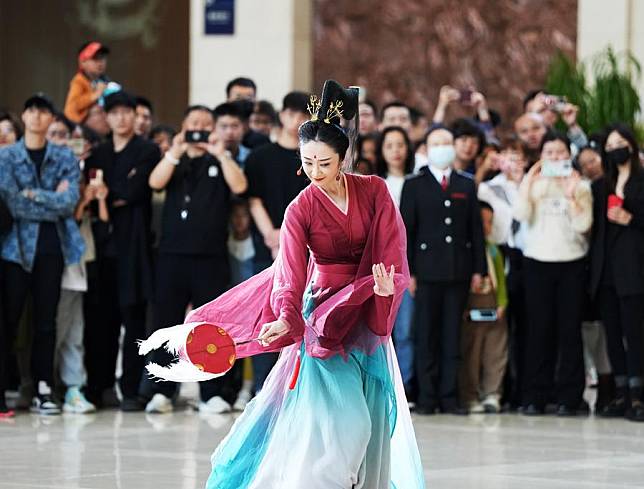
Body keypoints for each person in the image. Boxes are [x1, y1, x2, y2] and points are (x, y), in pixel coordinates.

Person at [142, 79, 425, 489]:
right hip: (323, 320)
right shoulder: (300, 209)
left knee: (371, 425)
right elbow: (290, 275)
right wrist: (288, 316)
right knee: (349, 425)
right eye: (307, 162)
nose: (314, 172)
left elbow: (391, 248)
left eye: (324, 163)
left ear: (344, 157)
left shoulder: (375, 190)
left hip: (365, 308)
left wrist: (386, 286)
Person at [143, 104, 247, 414]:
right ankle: (162, 390)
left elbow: (240, 186)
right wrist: (175, 150)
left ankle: (210, 392)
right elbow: (154, 183)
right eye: (193, 124)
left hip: (211, 257)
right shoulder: (175, 160)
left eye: (205, 124)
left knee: (210, 327)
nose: (199, 129)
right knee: (167, 325)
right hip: (172, 255)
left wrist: (220, 152)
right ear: (183, 127)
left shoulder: (221, 160)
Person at [0, 93, 85, 415]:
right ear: (24, 116)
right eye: (31, 110)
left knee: (46, 322)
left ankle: (43, 388)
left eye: (43, 112)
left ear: (51, 119)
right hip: (13, 248)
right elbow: (11, 202)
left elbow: (68, 203)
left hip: (53, 247)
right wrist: (49, 198)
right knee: (9, 319)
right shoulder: (6, 157)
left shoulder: (64, 157)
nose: (37, 117)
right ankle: (10, 387)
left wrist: (32, 195)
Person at [400, 126, 487, 415]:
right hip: (425, 273)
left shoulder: (465, 183)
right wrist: (408, 272)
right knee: (426, 335)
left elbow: (475, 230)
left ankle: (449, 396)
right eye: (436, 143)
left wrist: (479, 269)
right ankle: (427, 397)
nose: (442, 147)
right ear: (426, 148)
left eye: (447, 142)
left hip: (458, 270)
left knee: (453, 334)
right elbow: (407, 233)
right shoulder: (414, 184)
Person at [84, 91, 160, 411]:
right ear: (107, 117)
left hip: (134, 247)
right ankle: (98, 386)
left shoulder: (147, 150)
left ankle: (130, 388)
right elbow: (91, 193)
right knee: (100, 319)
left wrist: (110, 193)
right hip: (102, 247)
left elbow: (134, 190)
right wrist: (113, 194)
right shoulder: (98, 153)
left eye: (127, 112)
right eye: (114, 112)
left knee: (134, 319)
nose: (121, 118)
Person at [513, 131, 592, 416]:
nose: (555, 158)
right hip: (537, 262)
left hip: (571, 263)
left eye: (560, 153)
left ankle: (570, 396)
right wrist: (528, 184)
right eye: (549, 153)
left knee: (569, 331)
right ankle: (536, 395)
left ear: (568, 156)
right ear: (541, 156)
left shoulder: (581, 185)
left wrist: (572, 195)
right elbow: (521, 215)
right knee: (539, 331)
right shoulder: (532, 184)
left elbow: (584, 225)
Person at [244, 91, 310, 391]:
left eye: (304, 115)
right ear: (282, 116)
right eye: (292, 113)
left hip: (307, 255)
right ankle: (262, 387)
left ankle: (296, 388)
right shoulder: (260, 157)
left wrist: (293, 240)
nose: (297, 120)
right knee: (265, 318)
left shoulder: (313, 160)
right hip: (266, 249)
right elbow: (253, 200)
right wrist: (272, 235)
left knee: (301, 318)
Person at [589, 123, 644, 422]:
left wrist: (631, 219)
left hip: (634, 267)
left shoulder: (642, 179)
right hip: (606, 269)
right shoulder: (601, 185)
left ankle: (638, 393)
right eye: (610, 146)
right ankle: (621, 390)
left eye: (621, 143)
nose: (616, 149)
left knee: (634, 333)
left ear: (632, 146)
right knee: (612, 334)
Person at [477, 138, 528, 409]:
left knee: (526, 325)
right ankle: (500, 389)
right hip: (500, 255)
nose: (512, 162)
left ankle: (523, 388)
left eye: (517, 156)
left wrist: (524, 182)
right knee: (499, 327)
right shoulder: (489, 188)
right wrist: (485, 169)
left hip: (529, 256)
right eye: (507, 155)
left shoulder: (533, 183)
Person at [376, 126, 416, 396]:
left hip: (405, 268)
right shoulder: (374, 184)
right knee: (377, 332)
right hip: (378, 267)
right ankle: (381, 386)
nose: (395, 151)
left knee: (405, 331)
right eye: (389, 145)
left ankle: (405, 387)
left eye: (400, 145)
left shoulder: (416, 183)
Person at [459, 201, 508, 414]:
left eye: (490, 222)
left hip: (493, 305)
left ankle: (492, 392)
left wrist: (502, 303)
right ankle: (470, 395)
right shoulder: (464, 251)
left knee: (495, 351)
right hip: (472, 307)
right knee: (471, 352)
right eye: (482, 222)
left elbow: (501, 280)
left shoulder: (494, 250)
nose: (486, 227)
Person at [64, 41, 110, 124]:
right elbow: (73, 105)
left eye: (103, 58)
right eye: (95, 58)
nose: (100, 63)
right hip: (77, 128)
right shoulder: (78, 80)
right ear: (83, 62)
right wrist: (96, 94)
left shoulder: (104, 81)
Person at [212, 102, 251, 167]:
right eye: (223, 126)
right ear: (214, 128)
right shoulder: (205, 157)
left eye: (235, 126)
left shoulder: (252, 157)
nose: (229, 132)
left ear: (244, 128)